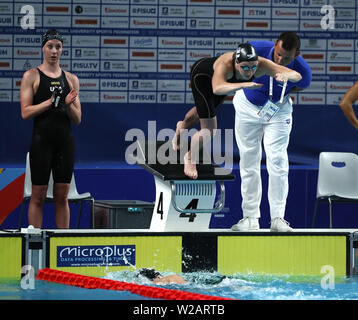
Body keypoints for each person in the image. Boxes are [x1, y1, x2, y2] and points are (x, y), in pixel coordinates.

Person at [172, 43, 302, 180]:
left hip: (226, 83)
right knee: (209, 129)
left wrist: (287, 76)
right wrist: (245, 85)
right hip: (203, 78)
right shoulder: (225, 64)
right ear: (236, 63)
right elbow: (217, 88)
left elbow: (297, 75)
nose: (250, 72)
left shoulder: (262, 65)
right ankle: (190, 158)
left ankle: (182, 126)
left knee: (203, 111)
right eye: (245, 67)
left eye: (253, 67)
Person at [231, 32, 312, 232]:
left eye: (286, 58)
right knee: (249, 160)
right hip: (247, 108)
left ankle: (278, 218)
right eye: (277, 54)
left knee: (277, 160)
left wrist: (280, 90)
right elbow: (237, 61)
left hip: (277, 111)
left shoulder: (303, 71)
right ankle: (250, 218)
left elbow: (299, 86)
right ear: (275, 45)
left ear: (297, 54)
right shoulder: (256, 46)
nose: (280, 60)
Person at [20, 29, 81, 229]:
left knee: (62, 197)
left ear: (62, 50)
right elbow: (25, 112)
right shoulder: (31, 76)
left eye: (58, 47)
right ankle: (35, 244)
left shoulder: (71, 79)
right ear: (43, 49)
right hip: (42, 142)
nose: (54, 51)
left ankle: (62, 245)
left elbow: (78, 118)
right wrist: (50, 102)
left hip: (64, 142)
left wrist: (67, 104)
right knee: (37, 195)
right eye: (50, 46)